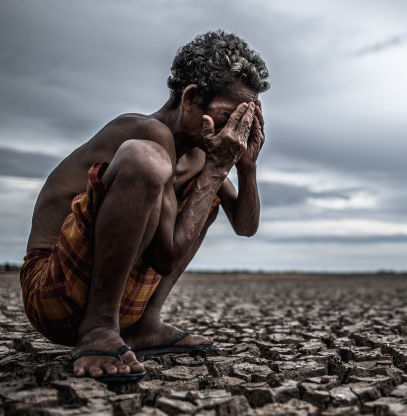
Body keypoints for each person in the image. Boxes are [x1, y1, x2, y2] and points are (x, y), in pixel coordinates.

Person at [20, 30, 269, 382]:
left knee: (204, 193)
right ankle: (98, 328)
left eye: (243, 122)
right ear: (191, 98)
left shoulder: (198, 154)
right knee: (146, 160)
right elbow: (163, 258)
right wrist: (215, 169)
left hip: (119, 300)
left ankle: (145, 325)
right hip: (54, 292)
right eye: (230, 116)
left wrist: (246, 165)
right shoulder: (148, 133)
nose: (235, 131)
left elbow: (245, 225)